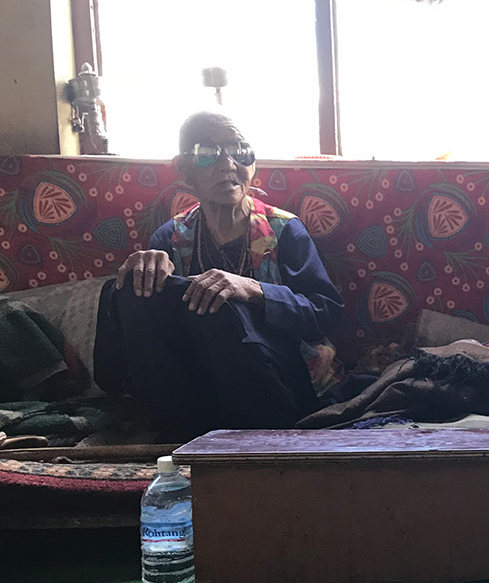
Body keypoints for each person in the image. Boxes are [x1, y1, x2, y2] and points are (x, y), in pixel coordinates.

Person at [95, 112, 344, 440]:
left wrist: (253, 290)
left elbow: (325, 314)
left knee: (219, 307)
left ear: (252, 165)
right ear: (184, 169)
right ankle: (177, 429)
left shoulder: (285, 231)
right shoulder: (170, 237)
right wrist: (144, 271)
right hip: (197, 383)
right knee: (132, 288)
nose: (228, 164)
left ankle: (230, 435)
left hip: (274, 379)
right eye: (208, 153)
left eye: (240, 151)